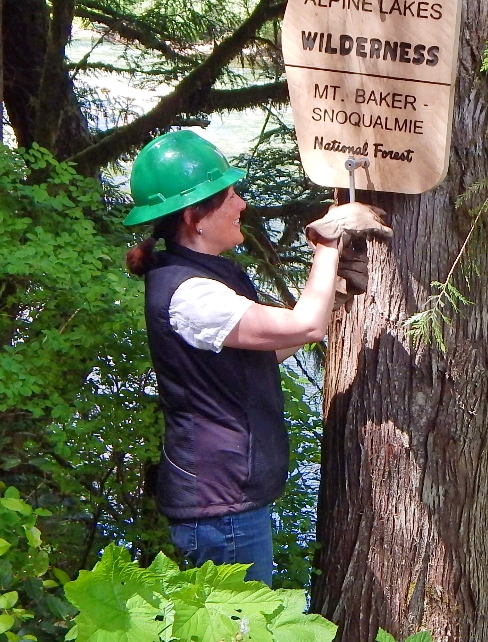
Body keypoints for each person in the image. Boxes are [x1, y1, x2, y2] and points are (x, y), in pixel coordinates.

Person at [122, 129, 388, 585]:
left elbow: (265, 352)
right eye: (230, 194)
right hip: (219, 505)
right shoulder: (191, 294)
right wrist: (328, 245)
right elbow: (304, 326)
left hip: (225, 500)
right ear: (195, 217)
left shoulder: (198, 277)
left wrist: (336, 295)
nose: (242, 204)